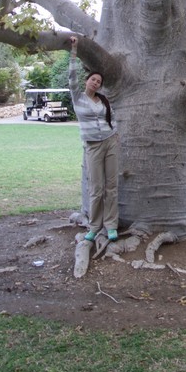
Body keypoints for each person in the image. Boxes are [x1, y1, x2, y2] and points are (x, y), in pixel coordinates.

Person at [69, 36, 119, 243]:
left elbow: (112, 118)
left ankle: (111, 225)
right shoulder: (78, 97)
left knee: (112, 186)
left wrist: (115, 134)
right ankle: (94, 226)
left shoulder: (103, 100)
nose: (96, 83)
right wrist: (74, 50)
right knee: (96, 188)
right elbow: (71, 76)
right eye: (93, 80)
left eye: (99, 82)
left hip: (110, 142)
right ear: (87, 81)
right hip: (93, 147)